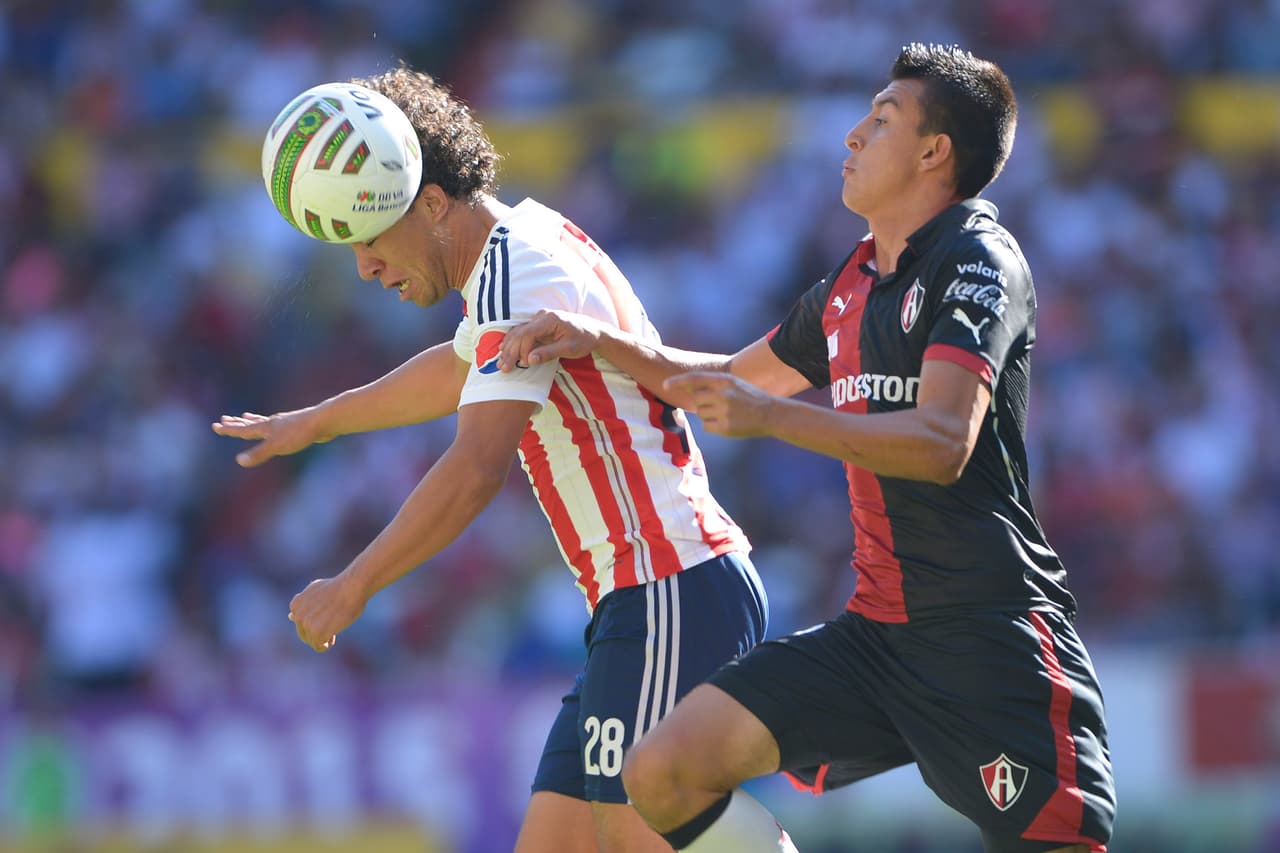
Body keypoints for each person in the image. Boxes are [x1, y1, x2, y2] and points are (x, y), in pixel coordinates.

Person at [496, 43, 1116, 853]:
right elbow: (722, 378)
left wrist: (773, 418)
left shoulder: (980, 260)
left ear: (935, 153)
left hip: (992, 639)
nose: (853, 136)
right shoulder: (851, 283)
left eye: (882, 119)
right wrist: (595, 337)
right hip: (877, 637)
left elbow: (941, 443)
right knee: (663, 771)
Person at [212, 67, 779, 853]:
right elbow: (457, 368)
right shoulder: (518, 252)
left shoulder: (518, 269)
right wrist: (321, 421)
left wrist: (354, 585)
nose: (365, 269)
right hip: (642, 597)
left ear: (433, 202)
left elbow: (477, 468)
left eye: (367, 238)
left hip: (670, 582)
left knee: (641, 826)